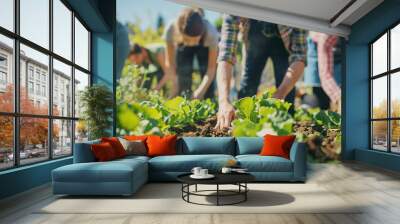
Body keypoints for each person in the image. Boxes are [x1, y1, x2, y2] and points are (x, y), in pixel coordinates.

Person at [215, 16, 308, 129]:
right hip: (254, 35)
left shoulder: (299, 8)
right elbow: (226, 55)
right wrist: (224, 101)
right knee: (248, 87)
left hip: (282, 43)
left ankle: (285, 128)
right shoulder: (234, 7)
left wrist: (280, 93)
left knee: (286, 97)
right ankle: (242, 125)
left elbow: (300, 56)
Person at [164, 8, 219, 99]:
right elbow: (169, 63)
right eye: (188, 40)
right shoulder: (171, 30)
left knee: (205, 71)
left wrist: (200, 91)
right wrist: (175, 83)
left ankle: (209, 100)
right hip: (181, 44)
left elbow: (211, 68)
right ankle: (184, 98)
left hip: (204, 46)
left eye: (195, 40)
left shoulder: (211, 33)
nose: (192, 44)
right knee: (183, 74)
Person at [303, 32, 342, 111]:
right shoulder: (325, 39)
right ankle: (325, 112)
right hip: (317, 50)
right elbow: (325, 75)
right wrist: (339, 97)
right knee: (321, 95)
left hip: (336, 53)